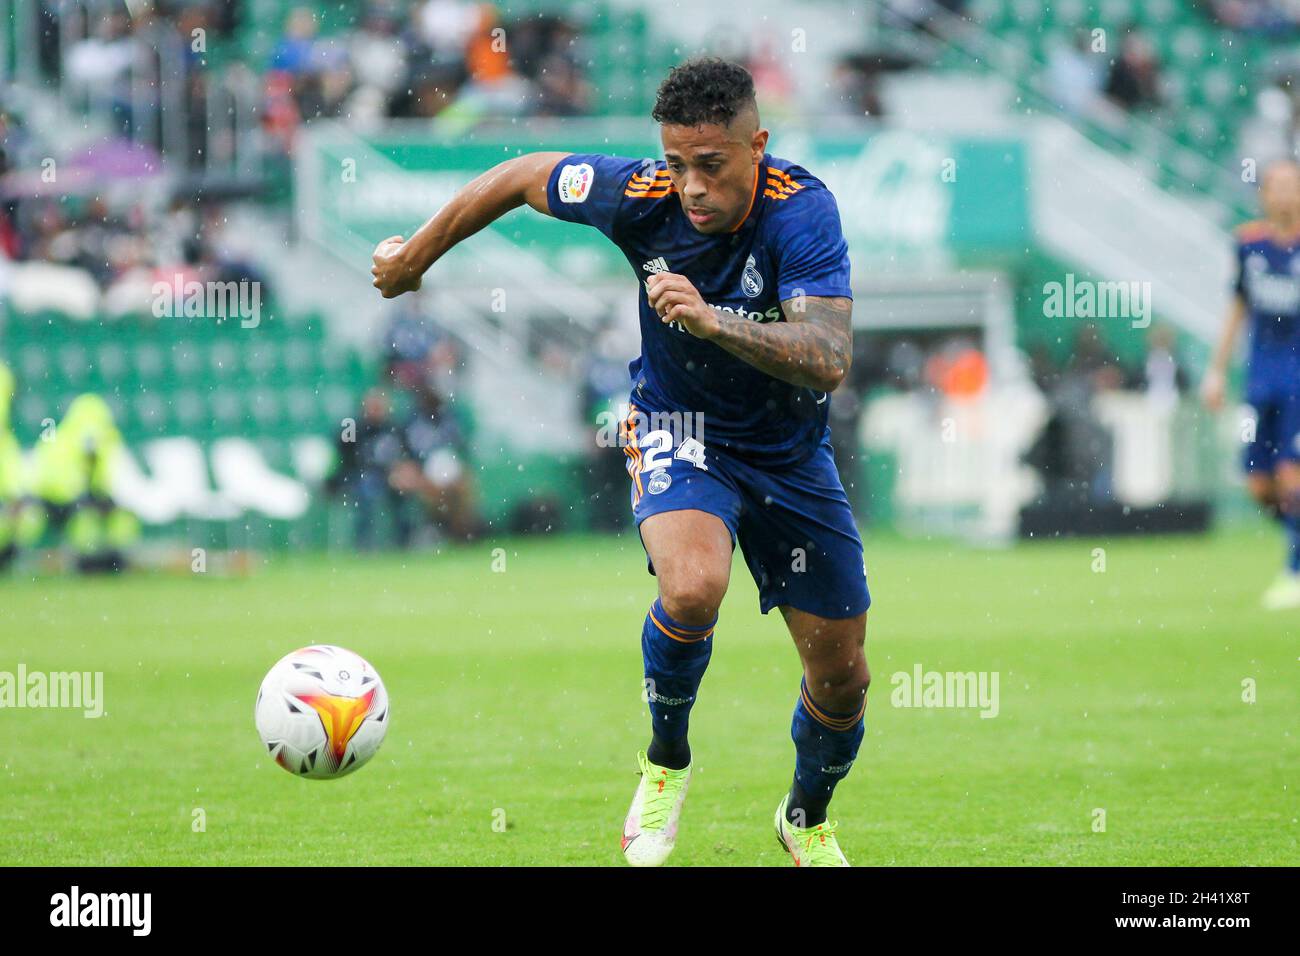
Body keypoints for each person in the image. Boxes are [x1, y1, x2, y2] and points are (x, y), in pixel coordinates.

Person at [371, 58, 869, 867]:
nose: (691, 187)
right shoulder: (640, 195)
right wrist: (417, 259)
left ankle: (805, 818)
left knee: (844, 677)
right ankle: (666, 763)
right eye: (676, 163)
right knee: (693, 586)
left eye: (711, 165)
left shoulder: (802, 211)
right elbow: (521, 174)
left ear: (759, 146)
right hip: (678, 427)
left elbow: (826, 355)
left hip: (790, 454)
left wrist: (713, 322)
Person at [1203, 159, 1300, 610]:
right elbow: (1238, 307)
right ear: (1263, 194)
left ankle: (1294, 571)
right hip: (1260, 379)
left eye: (1292, 186)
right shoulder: (1249, 244)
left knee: (1291, 473)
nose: (1284, 194)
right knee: (1259, 484)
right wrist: (1217, 370)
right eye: (1276, 186)